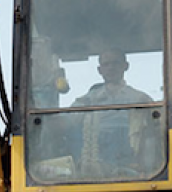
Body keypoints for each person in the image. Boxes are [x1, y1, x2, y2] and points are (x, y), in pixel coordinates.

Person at [68, 50, 159, 178]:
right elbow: (68, 121)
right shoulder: (87, 100)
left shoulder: (140, 99)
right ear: (100, 70)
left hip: (129, 154)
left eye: (115, 63)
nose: (111, 68)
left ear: (125, 66)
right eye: (106, 64)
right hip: (97, 157)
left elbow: (156, 127)